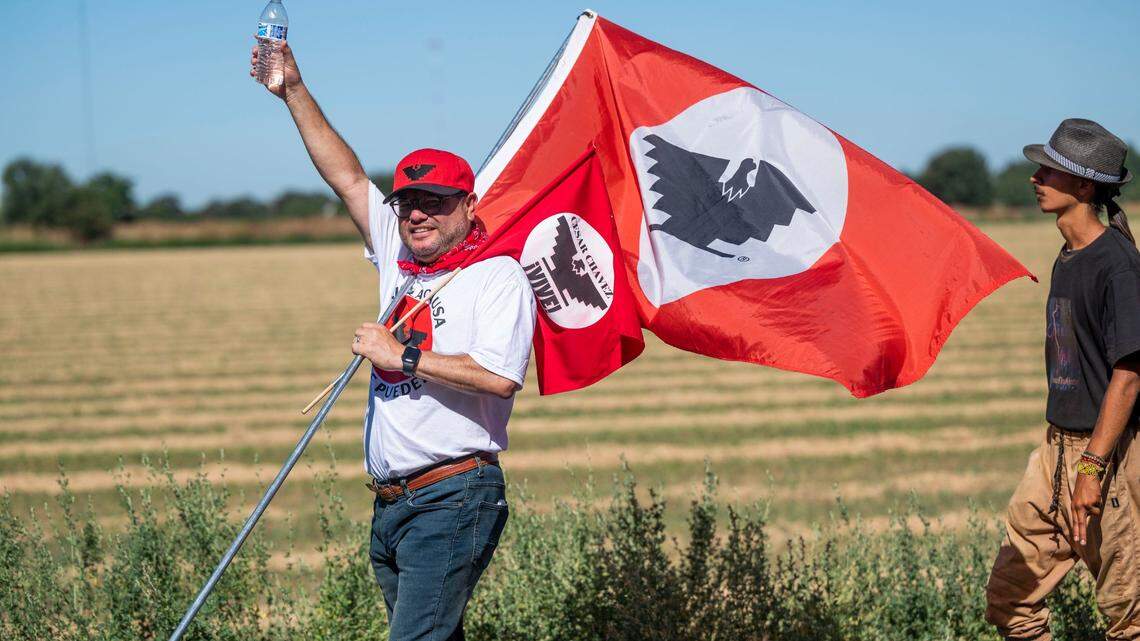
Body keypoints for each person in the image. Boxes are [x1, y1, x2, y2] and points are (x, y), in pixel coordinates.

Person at [250, 41, 537, 640]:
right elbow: (348, 177)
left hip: (454, 495)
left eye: (434, 202)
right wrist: (293, 91)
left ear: (469, 205)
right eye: (407, 202)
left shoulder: (497, 276)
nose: (416, 216)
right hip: (392, 505)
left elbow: (500, 377)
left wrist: (400, 354)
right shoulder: (401, 259)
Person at [986, 118, 1140, 641]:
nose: (1035, 178)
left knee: (1129, 620)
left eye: (1049, 170)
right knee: (1010, 601)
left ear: (1084, 185)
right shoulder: (1069, 255)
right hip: (1053, 454)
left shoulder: (1118, 265)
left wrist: (1093, 468)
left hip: (1110, 460)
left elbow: (1130, 375)